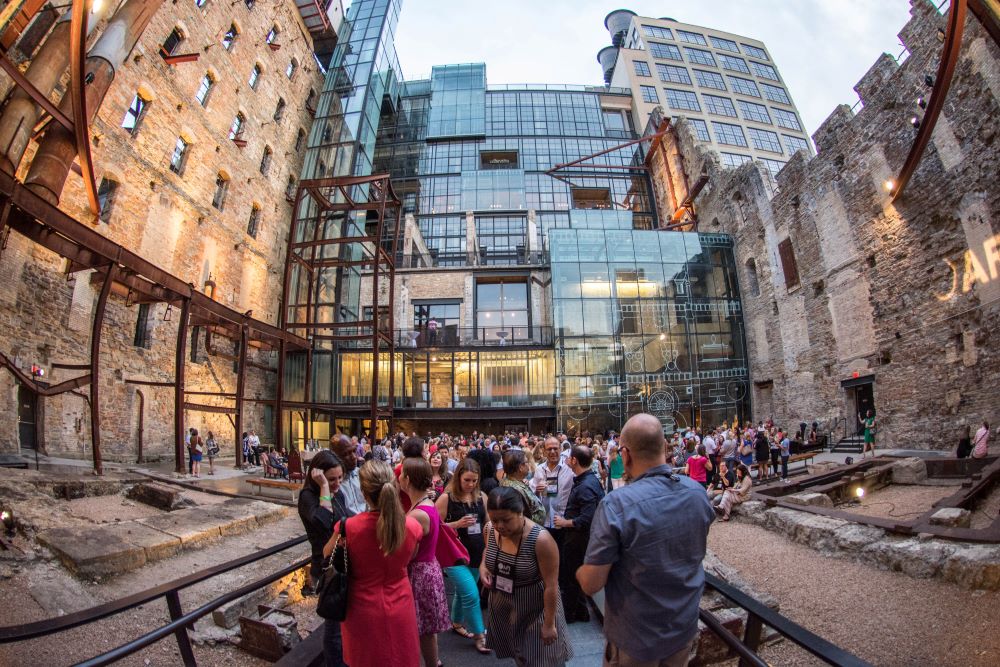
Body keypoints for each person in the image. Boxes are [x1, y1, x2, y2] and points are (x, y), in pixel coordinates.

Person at [577, 413, 715, 667]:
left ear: (625, 454)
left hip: (635, 640)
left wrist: (577, 570)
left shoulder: (616, 505)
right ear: (665, 447)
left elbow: (591, 583)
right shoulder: (697, 493)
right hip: (682, 629)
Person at [325, 461, 422, 667]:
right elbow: (411, 555)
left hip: (361, 606)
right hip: (401, 602)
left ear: (363, 492)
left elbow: (327, 554)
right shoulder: (412, 526)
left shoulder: (349, 527)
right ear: (394, 486)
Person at [481, 487, 571, 665]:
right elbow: (488, 551)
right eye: (495, 519)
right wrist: (484, 566)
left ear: (520, 512)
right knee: (519, 656)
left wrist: (549, 623)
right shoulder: (490, 530)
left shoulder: (541, 540)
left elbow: (551, 586)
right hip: (504, 605)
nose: (500, 526)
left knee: (542, 659)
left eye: (506, 520)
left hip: (534, 609)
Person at [298, 451, 353, 667]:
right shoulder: (307, 497)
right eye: (332, 479)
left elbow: (346, 518)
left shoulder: (338, 493)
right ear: (317, 475)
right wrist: (323, 488)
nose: (338, 483)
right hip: (326, 565)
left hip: (343, 561)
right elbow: (321, 522)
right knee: (334, 626)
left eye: (340, 478)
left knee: (341, 621)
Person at [434, 459, 490, 655]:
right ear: (458, 477)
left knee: (462, 591)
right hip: (452, 555)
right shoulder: (446, 498)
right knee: (471, 594)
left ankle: (456, 622)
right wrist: (456, 524)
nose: (471, 484)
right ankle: (479, 635)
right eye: (467, 480)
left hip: (476, 554)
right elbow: (434, 528)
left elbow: (489, 526)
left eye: (475, 480)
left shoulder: (482, 497)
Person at [399, 458, 450, 667]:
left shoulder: (417, 514)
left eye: (402, 474)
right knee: (427, 628)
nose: (399, 477)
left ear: (408, 479)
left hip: (420, 573)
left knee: (423, 628)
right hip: (429, 567)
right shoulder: (426, 505)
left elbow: (408, 553)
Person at [553, 445, 603, 624]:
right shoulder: (587, 481)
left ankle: (570, 615)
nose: (566, 460)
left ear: (574, 460)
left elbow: (587, 518)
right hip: (579, 539)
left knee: (571, 577)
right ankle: (581, 612)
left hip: (578, 540)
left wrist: (565, 522)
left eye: (569, 458)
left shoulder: (586, 486)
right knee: (574, 576)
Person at [533, 436, 574, 547]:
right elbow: (533, 496)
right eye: (549, 449)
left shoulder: (570, 469)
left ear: (560, 449)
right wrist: (537, 490)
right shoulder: (539, 469)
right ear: (544, 451)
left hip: (563, 521)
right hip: (544, 522)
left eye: (555, 448)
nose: (552, 452)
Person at [501, 449, 547, 524]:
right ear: (520, 467)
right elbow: (522, 516)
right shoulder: (514, 489)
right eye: (526, 462)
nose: (529, 464)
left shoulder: (516, 482)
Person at [331, 434, 366, 515]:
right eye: (346, 454)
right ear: (335, 456)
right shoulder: (331, 482)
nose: (354, 457)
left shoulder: (362, 474)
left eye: (354, 451)